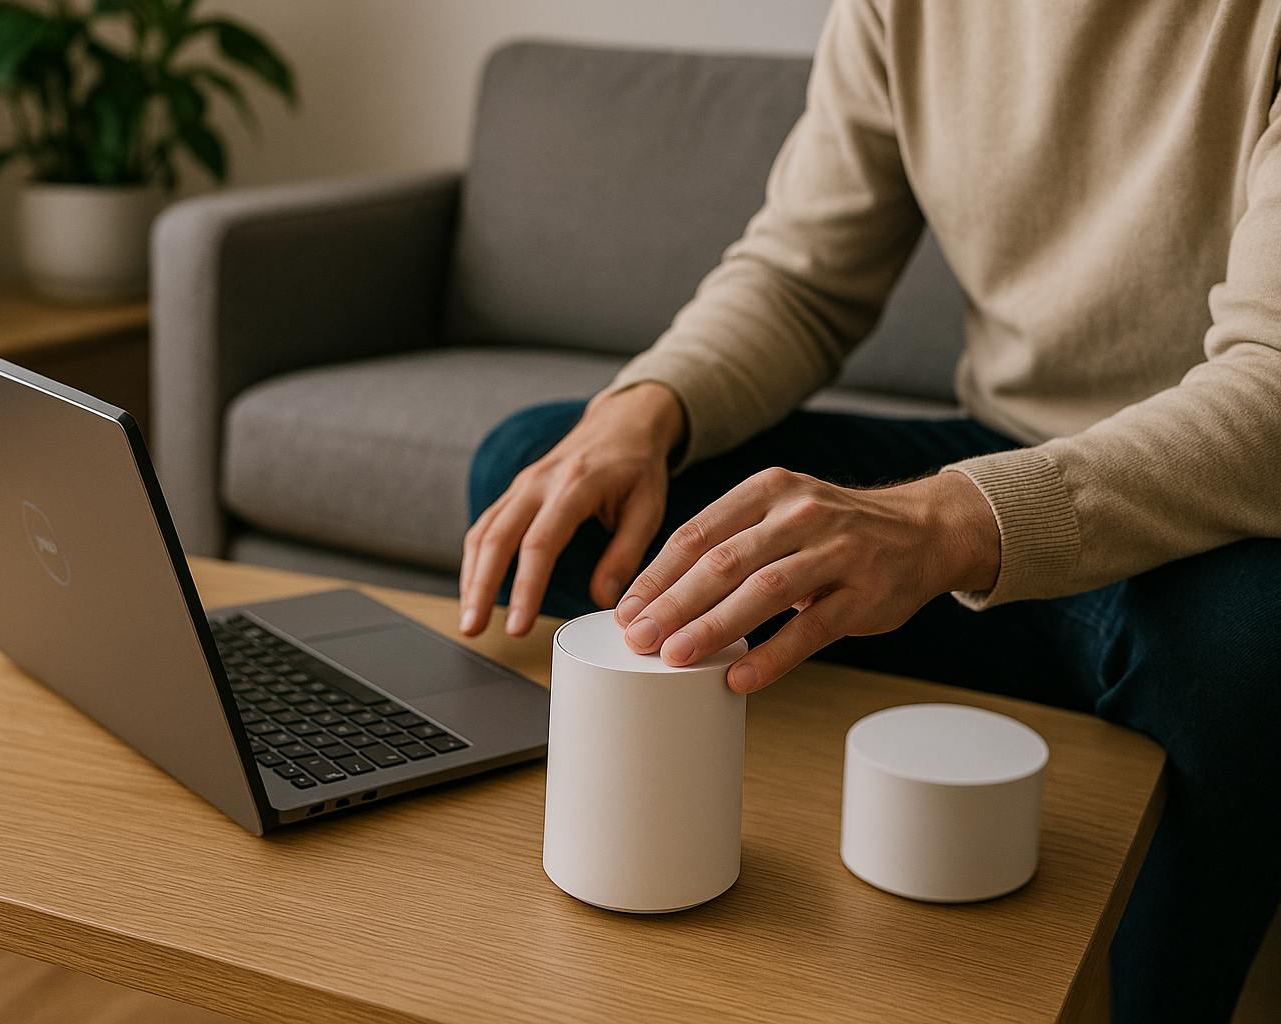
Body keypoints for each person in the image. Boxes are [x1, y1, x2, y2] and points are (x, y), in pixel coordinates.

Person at [456, 3, 1281, 1022]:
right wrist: (645, 405)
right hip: (1000, 455)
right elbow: (802, 277)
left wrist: (947, 523)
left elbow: (1273, 386)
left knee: (1257, 638)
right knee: (549, 478)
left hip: (1206, 514)